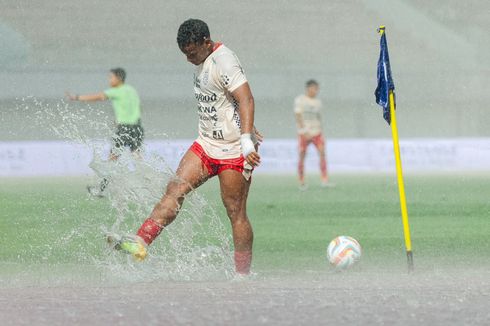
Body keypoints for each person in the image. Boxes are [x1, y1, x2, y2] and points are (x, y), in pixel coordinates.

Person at [112, 19, 261, 275]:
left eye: (192, 53)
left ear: (206, 42)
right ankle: (140, 242)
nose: (188, 58)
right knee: (174, 189)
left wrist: (247, 139)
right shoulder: (202, 59)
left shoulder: (224, 60)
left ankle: (242, 275)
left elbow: (245, 97)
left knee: (235, 211)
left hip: (234, 150)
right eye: (184, 54)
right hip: (206, 144)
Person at [66, 68, 144, 196]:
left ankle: (101, 189)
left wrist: (77, 97)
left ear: (118, 78)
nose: (109, 80)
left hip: (124, 128)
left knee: (112, 159)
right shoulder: (132, 90)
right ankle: (147, 184)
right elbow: (138, 108)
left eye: (110, 77)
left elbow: (98, 97)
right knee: (137, 158)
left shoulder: (116, 91)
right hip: (137, 127)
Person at [294, 79, 332, 189]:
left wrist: (320, 130)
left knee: (322, 153)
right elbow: (298, 116)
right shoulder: (300, 100)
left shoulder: (318, 102)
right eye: (315, 88)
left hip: (317, 132)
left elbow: (319, 118)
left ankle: (324, 180)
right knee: (302, 155)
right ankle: (301, 181)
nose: (316, 91)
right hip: (304, 133)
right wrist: (303, 131)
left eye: (317, 89)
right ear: (309, 88)